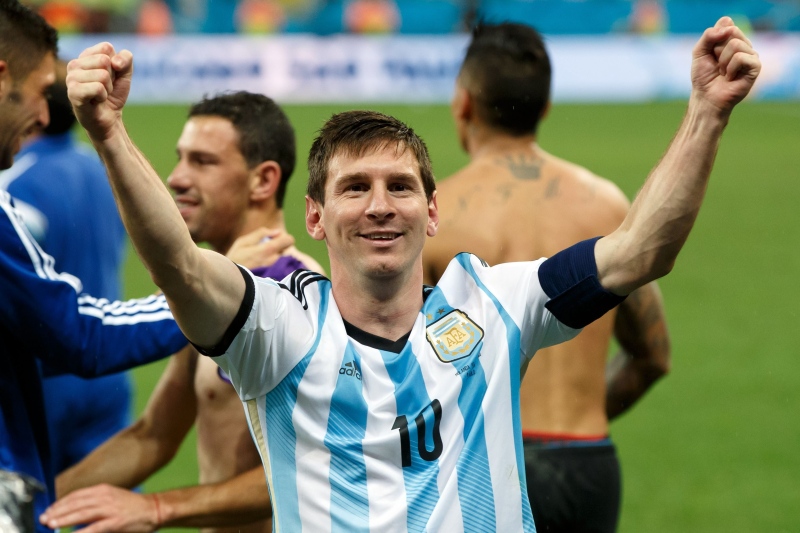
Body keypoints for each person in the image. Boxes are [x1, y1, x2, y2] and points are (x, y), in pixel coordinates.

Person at [63, 17, 760, 531]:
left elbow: (641, 250)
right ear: (314, 213)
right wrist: (109, 133)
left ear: (431, 211)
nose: (379, 206)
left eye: (399, 186)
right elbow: (180, 265)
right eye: (354, 186)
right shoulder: (277, 326)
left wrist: (707, 112)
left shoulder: (491, 307)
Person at [422, 23, 671, 532]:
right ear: (545, 105)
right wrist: (579, 417)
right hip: (588, 462)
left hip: (482, 466)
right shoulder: (605, 204)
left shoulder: (432, 216)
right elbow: (654, 355)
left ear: (463, 104)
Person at [40, 92, 323, 533]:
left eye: (203, 162)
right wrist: (34, 506)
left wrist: (157, 508)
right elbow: (153, 436)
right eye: (180, 159)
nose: (176, 178)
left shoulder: (290, 291)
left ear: (263, 181)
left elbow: (314, 469)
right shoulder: (208, 294)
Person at [0, 2, 187, 530]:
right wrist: (225, 294)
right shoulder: (55, 178)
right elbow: (79, 334)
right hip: (78, 370)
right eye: (41, 93)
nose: (43, 115)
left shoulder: (24, 183)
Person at [1, 61, 134, 477]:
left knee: (27, 505)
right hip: (109, 371)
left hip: (48, 370)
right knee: (105, 507)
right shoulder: (101, 167)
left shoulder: (14, 181)